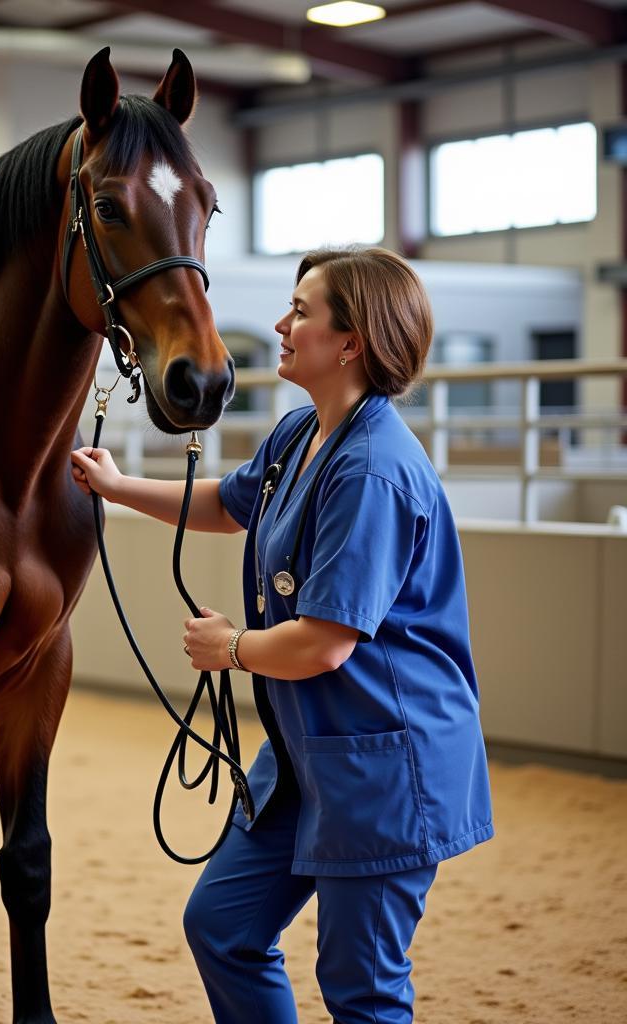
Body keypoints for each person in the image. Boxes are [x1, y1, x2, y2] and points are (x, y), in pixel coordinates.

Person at [70, 246, 494, 1024]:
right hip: (313, 754)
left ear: (351, 341)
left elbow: (323, 643)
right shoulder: (301, 434)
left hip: (383, 766)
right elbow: (231, 504)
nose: (280, 324)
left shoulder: (373, 471)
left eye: (301, 311)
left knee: (362, 991)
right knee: (224, 927)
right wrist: (117, 485)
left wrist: (230, 648)